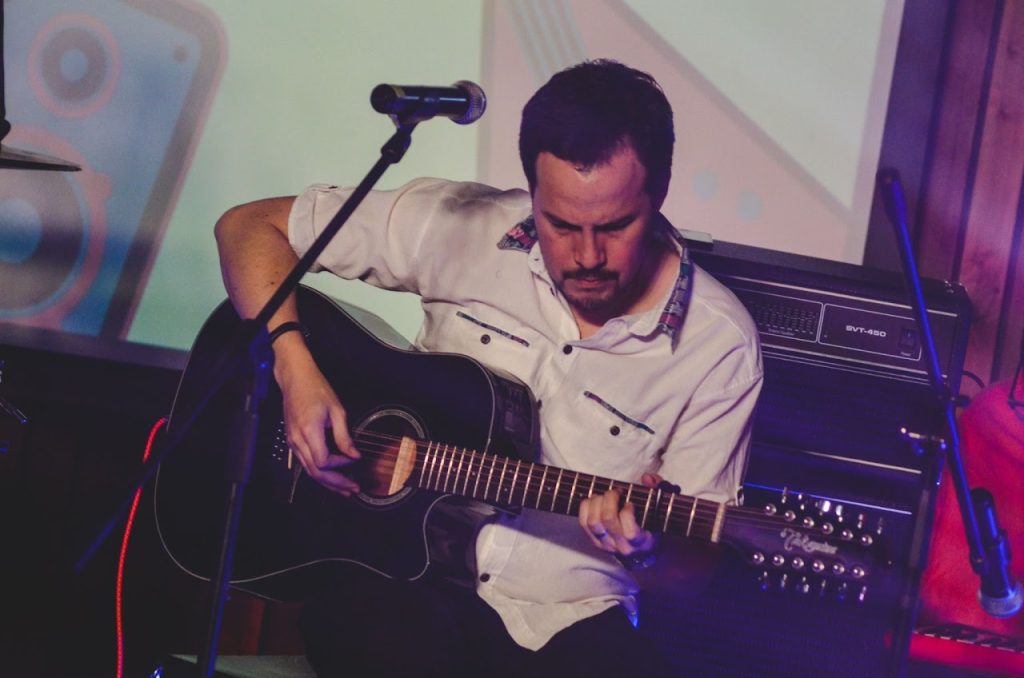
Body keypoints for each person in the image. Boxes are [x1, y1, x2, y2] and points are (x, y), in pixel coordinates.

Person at [214, 59, 762, 676]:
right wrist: (295, 370)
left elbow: (693, 576)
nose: (587, 256)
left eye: (615, 226)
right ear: (531, 191)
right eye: (560, 224)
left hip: (566, 616)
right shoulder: (464, 225)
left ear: (658, 195)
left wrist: (647, 551)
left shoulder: (719, 344)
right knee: (375, 633)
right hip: (401, 585)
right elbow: (247, 228)